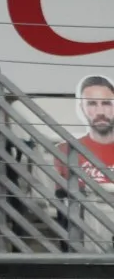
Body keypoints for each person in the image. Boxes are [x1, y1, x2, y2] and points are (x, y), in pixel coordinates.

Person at [53, 75, 114, 251]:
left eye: (107, 103)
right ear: (82, 108)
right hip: (85, 238)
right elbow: (55, 206)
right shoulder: (64, 150)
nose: (100, 111)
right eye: (92, 104)